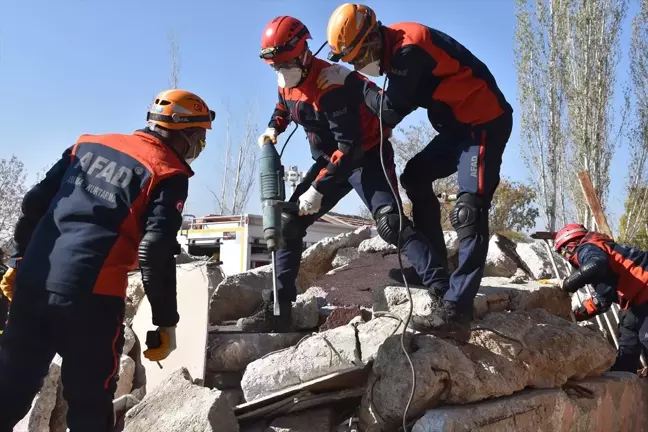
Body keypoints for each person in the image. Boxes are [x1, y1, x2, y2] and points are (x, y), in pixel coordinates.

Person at [0, 89, 214, 431]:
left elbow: (34, 203)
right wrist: (165, 321)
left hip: (34, 283)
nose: (198, 148)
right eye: (200, 138)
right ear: (184, 132)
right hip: (92, 298)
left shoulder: (86, 146)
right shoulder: (168, 172)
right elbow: (154, 249)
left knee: (7, 391)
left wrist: (17, 260)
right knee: (89, 407)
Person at [239, 16, 446, 333]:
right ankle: (280, 309)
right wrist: (273, 127)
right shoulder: (287, 78)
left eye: (284, 63)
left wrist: (318, 190)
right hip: (328, 159)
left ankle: (444, 293)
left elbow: (349, 150)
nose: (280, 71)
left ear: (303, 52)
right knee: (288, 225)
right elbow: (284, 105)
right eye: (275, 66)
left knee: (391, 224)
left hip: (366, 155)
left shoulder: (331, 84)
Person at [320, 3, 514, 337]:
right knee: (415, 176)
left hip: (484, 124)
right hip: (457, 129)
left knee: (469, 210)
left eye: (358, 58)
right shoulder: (397, 51)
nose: (360, 65)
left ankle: (457, 310)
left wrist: (351, 80)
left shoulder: (409, 49)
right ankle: (434, 267)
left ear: (372, 39)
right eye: (352, 62)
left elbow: (388, 112)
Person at [554, 223, 648, 373]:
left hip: (644, 289)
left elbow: (596, 264)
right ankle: (623, 375)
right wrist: (576, 315)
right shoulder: (601, 247)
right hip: (635, 297)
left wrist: (569, 284)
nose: (565, 258)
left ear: (570, 246)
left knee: (645, 336)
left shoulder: (586, 248)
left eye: (563, 253)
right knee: (628, 334)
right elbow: (604, 298)